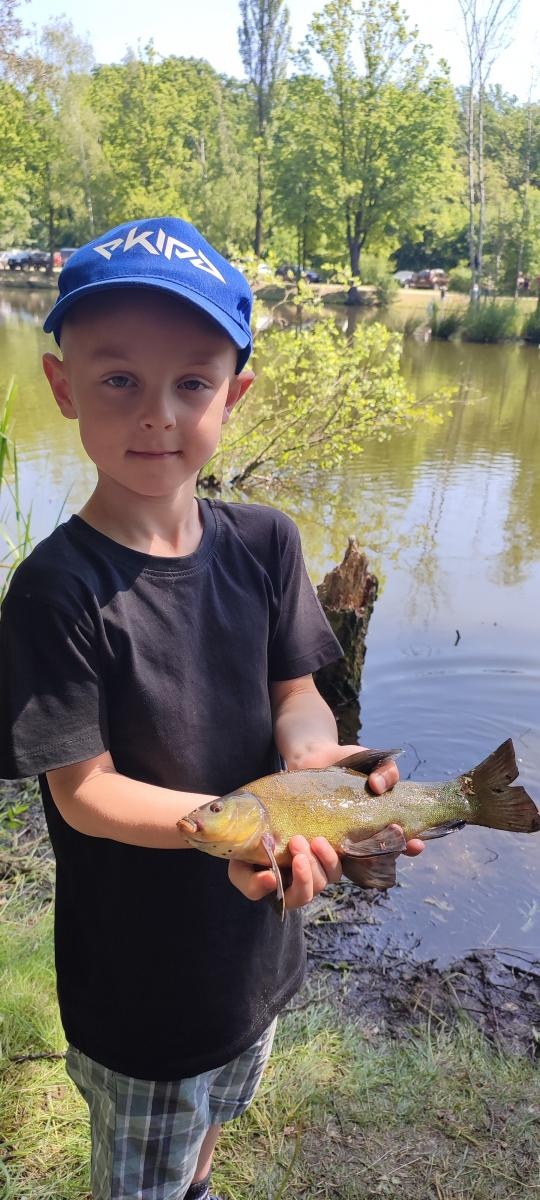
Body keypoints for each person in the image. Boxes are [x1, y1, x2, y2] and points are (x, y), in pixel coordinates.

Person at [0, 216, 424, 1200]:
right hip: (141, 992)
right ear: (64, 388)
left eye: (192, 383)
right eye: (118, 380)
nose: (158, 414)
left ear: (234, 397)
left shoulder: (266, 543)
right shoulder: (55, 589)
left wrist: (316, 764)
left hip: (256, 954)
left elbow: (298, 695)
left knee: (208, 1135)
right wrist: (237, 829)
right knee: (144, 1170)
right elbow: (85, 794)